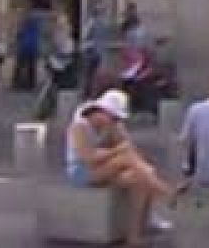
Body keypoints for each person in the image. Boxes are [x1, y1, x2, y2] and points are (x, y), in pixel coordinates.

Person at [65, 89, 177, 247]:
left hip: (105, 168)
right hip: (81, 172)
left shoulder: (111, 125)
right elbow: (87, 158)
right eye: (114, 117)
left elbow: (128, 146)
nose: (115, 121)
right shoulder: (80, 126)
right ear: (102, 111)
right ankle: (165, 192)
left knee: (138, 181)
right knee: (127, 158)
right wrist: (116, 151)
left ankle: (134, 235)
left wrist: (121, 141)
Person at [12, 3, 44, 92]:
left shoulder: (24, 22)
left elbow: (19, 34)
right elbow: (39, 34)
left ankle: (16, 82)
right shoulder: (36, 22)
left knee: (20, 65)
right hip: (32, 47)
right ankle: (31, 84)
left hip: (24, 46)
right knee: (31, 67)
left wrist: (17, 39)